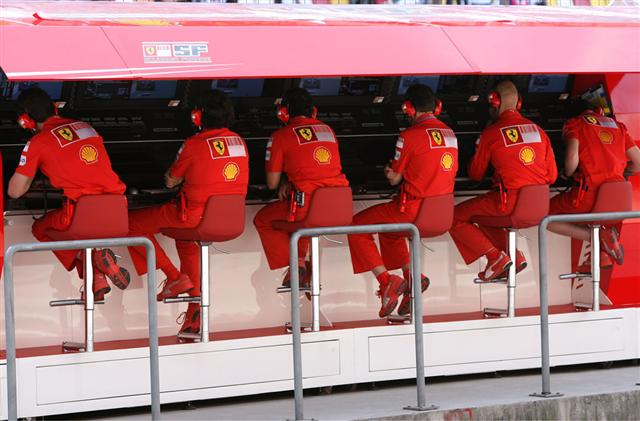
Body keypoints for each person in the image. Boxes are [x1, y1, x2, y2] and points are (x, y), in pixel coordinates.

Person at [126, 89, 249, 335]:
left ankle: (173, 276)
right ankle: (194, 308)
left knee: (128, 224)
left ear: (197, 117)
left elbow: (171, 181)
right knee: (185, 239)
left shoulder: (194, 144)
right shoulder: (239, 142)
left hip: (193, 217)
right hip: (231, 220)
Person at [8, 87, 130, 300]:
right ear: (55, 108)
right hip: (117, 213)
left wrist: (32, 176)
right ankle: (97, 275)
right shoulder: (86, 127)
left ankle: (92, 266)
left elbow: (15, 191)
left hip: (81, 217)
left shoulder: (38, 142)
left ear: (25, 121)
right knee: (89, 238)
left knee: (40, 228)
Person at [347, 84, 459, 318]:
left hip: (413, 211)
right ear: (437, 107)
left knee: (356, 226)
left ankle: (387, 281)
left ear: (408, 108)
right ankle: (411, 278)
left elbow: (394, 179)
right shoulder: (450, 134)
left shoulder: (408, 136)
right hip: (442, 213)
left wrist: (390, 172)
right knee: (390, 232)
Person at [449, 80, 558, 281]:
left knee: (454, 217)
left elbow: (476, 174)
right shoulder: (538, 131)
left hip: (508, 205)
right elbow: (552, 176)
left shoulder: (491, 133)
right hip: (539, 207)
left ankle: (494, 257)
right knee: (483, 217)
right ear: (519, 103)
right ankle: (513, 256)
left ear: (495, 101)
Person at [254, 88, 349, 287]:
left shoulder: (280, 136)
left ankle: (296, 265)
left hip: (307, 211)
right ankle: (301, 265)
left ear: (284, 112)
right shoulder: (328, 130)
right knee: (297, 208)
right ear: (313, 111)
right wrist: (291, 181)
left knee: (264, 219)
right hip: (341, 208)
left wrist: (285, 181)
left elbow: (271, 184)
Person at [547, 99, 640, 272]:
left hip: (590, 196)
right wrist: (621, 172)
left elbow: (572, 160)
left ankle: (596, 237)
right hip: (621, 202)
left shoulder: (575, 123)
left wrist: (566, 173)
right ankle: (602, 255)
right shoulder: (618, 126)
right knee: (596, 219)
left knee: (546, 217)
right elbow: (638, 163)